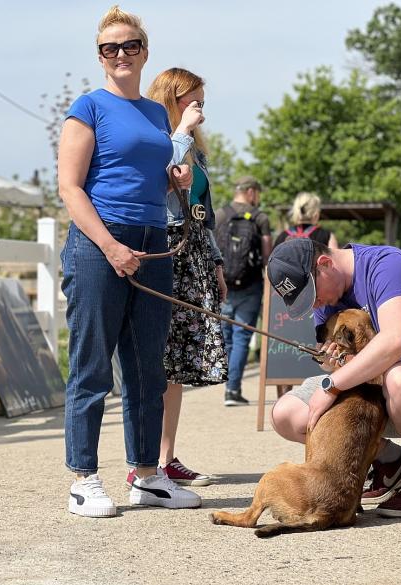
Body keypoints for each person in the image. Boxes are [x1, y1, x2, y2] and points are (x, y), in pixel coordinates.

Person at [57, 5, 200, 518]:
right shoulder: (88, 107)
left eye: (130, 46)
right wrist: (111, 247)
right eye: (109, 48)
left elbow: (148, 179)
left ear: (144, 52)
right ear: (100, 57)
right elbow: (70, 188)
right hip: (100, 242)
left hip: (153, 239)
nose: (120, 54)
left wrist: (174, 181)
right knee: (93, 365)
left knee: (147, 368)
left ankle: (147, 476)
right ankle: (84, 477)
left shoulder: (156, 114)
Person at [266, 238, 401, 518]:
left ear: (325, 264)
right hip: (379, 399)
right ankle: (391, 462)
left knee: (399, 378)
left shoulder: (387, 265)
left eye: (312, 295)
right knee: (286, 413)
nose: (315, 304)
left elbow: (396, 341)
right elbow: (337, 364)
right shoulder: (327, 297)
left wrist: (333, 385)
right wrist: (333, 363)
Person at [143, 67, 227, 486]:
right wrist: (182, 133)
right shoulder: (158, 142)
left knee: (175, 364)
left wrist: (215, 264)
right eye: (191, 102)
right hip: (163, 252)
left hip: (193, 258)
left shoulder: (199, 152)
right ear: (170, 100)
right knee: (156, 359)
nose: (199, 112)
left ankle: (166, 456)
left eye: (202, 104)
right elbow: (159, 186)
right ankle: (145, 459)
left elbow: (203, 216)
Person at [272, 191, 339, 398]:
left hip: (286, 307)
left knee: (284, 345)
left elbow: (273, 269)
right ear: (315, 212)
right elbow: (334, 265)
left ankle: (283, 394)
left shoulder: (283, 236)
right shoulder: (325, 235)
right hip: (320, 305)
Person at [214, 176, 272, 406]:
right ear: (250, 192)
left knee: (227, 338)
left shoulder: (219, 215)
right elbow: (267, 255)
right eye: (257, 193)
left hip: (224, 283)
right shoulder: (260, 218)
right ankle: (232, 389)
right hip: (250, 285)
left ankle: (229, 386)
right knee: (241, 336)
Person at [272, 191, 338, 249]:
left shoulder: (282, 237)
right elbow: (336, 261)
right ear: (316, 214)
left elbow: (271, 261)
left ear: (295, 211)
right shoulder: (327, 236)